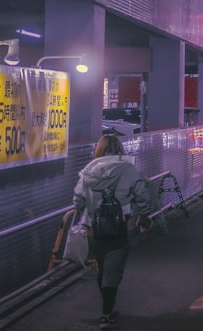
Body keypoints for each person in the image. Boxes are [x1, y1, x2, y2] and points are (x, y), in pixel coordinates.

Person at [73, 134, 152, 329]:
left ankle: (107, 306)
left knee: (102, 266)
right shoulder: (127, 169)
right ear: (120, 149)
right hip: (121, 226)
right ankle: (106, 314)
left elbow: (78, 200)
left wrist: (88, 206)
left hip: (94, 228)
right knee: (114, 270)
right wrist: (143, 215)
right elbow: (141, 193)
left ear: (99, 149)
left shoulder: (88, 171)